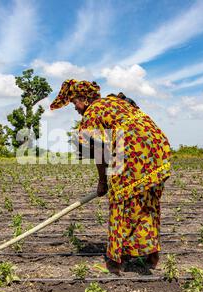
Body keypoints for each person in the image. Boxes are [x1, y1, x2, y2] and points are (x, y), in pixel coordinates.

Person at [50, 79, 171, 274]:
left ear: (83, 98)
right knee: (148, 200)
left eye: (74, 104)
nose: (75, 109)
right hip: (158, 146)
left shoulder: (92, 112)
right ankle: (152, 257)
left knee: (119, 201)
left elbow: (99, 151)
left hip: (133, 148)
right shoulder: (115, 101)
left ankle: (115, 263)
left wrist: (102, 182)